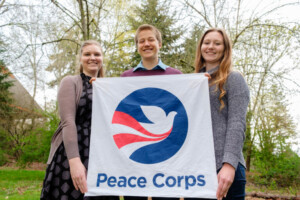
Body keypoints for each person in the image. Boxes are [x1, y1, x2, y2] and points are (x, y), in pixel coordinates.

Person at [41, 40, 119, 200]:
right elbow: (67, 122)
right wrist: (74, 161)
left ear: (102, 58)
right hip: (74, 151)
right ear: (81, 59)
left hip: (102, 156)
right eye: (87, 54)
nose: (92, 58)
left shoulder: (109, 87)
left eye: (97, 54)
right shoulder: (70, 82)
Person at [121, 24, 182, 200]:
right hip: (136, 154)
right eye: (141, 41)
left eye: (150, 39)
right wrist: (99, 87)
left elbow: (185, 112)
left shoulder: (176, 76)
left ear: (159, 43)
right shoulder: (126, 78)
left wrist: (200, 83)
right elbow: (120, 113)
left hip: (167, 155)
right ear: (137, 46)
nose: (146, 44)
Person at [191, 28, 250, 200]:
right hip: (197, 168)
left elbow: (237, 123)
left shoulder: (234, 79)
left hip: (223, 168)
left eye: (217, 43)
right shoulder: (193, 81)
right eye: (206, 42)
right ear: (200, 47)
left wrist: (229, 165)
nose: (211, 47)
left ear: (225, 49)